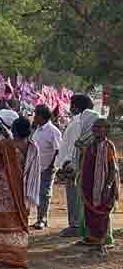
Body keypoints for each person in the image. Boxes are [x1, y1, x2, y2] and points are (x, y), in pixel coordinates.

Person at [0, 115, 37, 268]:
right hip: (23, 191)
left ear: (14, 130)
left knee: (1, 223)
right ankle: (17, 257)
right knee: (17, 223)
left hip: (3, 190)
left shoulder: (5, 145)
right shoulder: (32, 147)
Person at [54, 94, 99, 237]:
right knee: (78, 196)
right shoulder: (80, 122)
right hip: (76, 165)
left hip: (73, 166)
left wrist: (68, 165)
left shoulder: (77, 123)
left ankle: (75, 225)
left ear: (75, 107)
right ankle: (78, 224)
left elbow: (74, 147)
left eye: (71, 105)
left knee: (74, 196)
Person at [76, 118, 117, 251]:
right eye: (95, 127)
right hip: (89, 186)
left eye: (100, 127)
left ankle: (104, 240)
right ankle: (92, 238)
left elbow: (113, 169)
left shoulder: (108, 146)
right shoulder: (90, 146)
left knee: (102, 214)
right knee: (89, 213)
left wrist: (108, 186)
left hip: (104, 186)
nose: (97, 130)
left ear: (107, 131)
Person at [31, 104, 62, 230]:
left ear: (41, 116)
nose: (34, 117)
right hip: (37, 167)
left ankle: (43, 219)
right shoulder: (38, 130)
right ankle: (40, 218)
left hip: (47, 168)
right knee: (39, 194)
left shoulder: (53, 131)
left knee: (44, 194)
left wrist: (51, 166)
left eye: (36, 114)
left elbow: (58, 150)